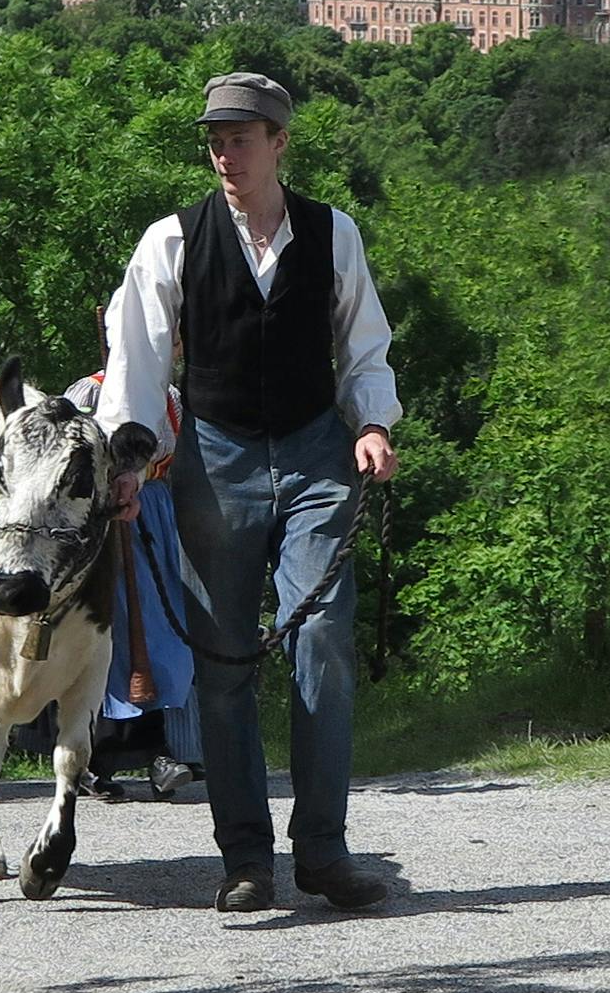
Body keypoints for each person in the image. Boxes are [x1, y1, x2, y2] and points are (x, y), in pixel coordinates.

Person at [97, 71, 401, 913]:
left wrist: (374, 424)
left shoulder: (333, 232)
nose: (225, 154)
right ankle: (245, 859)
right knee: (225, 661)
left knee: (323, 643)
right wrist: (129, 463)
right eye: (216, 141)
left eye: (240, 138)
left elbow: (364, 345)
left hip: (316, 454)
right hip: (216, 456)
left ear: (279, 143)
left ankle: (324, 851)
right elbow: (136, 360)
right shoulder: (171, 239)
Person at [64, 370, 201, 800]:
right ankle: (94, 758)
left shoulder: (170, 396)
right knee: (110, 633)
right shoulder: (89, 392)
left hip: (157, 514)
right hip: (103, 516)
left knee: (168, 632)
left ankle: (170, 752)